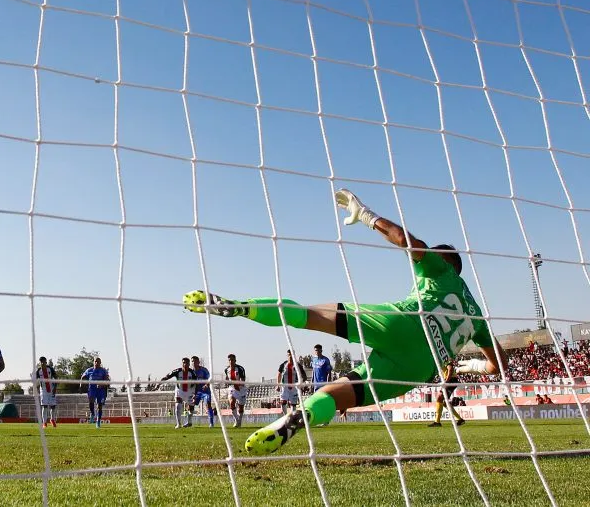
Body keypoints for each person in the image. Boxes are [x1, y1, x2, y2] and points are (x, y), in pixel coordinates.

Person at [184, 188, 503, 455]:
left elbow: (409, 242)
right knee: (337, 394)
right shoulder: (477, 315)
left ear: (447, 261)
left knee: (307, 315)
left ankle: (240, 307)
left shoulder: (440, 269)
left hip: (404, 323)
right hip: (417, 368)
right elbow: (496, 365)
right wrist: (463, 365)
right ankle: (301, 417)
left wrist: (365, 214)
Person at [161, 357, 197, 429]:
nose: (185, 364)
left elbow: (196, 382)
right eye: (184, 362)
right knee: (178, 406)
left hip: (189, 391)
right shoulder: (178, 371)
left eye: (187, 363)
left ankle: (189, 422)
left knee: (191, 409)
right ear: (182, 363)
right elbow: (169, 375)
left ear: (189, 364)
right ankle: (178, 424)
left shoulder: (192, 372)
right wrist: (164, 378)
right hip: (179, 391)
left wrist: (195, 393)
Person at [428, 362, 464, 427]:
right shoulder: (439, 362)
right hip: (450, 380)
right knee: (444, 402)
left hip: (451, 380)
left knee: (439, 397)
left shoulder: (444, 358)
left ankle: (437, 422)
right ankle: (460, 420)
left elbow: (450, 369)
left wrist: (446, 381)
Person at [79, 357, 110, 428]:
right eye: (95, 361)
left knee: (99, 406)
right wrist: (80, 386)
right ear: (93, 362)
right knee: (91, 401)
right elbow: (82, 377)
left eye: (98, 362)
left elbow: (107, 381)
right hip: (92, 388)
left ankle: (98, 422)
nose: (97, 363)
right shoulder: (89, 370)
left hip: (100, 389)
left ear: (100, 363)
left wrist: (102, 384)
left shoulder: (103, 371)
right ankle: (92, 413)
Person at [190, 356, 216, 428]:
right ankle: (189, 422)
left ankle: (211, 423)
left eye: (195, 361)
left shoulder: (204, 370)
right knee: (191, 405)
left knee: (208, 405)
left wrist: (206, 385)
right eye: (192, 361)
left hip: (205, 391)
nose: (194, 363)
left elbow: (209, 379)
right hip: (196, 392)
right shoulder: (191, 371)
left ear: (198, 362)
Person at [276, 350, 305, 415]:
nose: (290, 356)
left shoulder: (298, 365)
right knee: (283, 401)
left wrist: (302, 384)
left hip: (294, 386)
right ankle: (285, 416)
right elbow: (279, 374)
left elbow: (303, 375)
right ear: (287, 355)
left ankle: (292, 417)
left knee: (293, 403)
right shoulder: (283, 365)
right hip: (285, 386)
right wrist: (277, 385)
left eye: (291, 354)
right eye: (289, 355)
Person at [34, 356, 58, 428]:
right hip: (43, 389)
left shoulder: (50, 369)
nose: (42, 363)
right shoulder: (38, 371)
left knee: (53, 406)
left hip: (51, 388)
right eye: (41, 362)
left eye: (44, 362)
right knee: (44, 406)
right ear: (40, 363)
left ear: (46, 362)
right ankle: (44, 422)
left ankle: (52, 419)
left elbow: (56, 377)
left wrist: (55, 388)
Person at [225, 353, 247, 428]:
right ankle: (236, 419)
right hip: (232, 389)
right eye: (229, 360)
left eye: (232, 360)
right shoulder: (227, 369)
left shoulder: (240, 368)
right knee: (231, 402)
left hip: (241, 389)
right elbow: (227, 378)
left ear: (235, 360)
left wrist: (238, 384)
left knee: (241, 407)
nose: (231, 361)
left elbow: (243, 380)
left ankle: (239, 420)